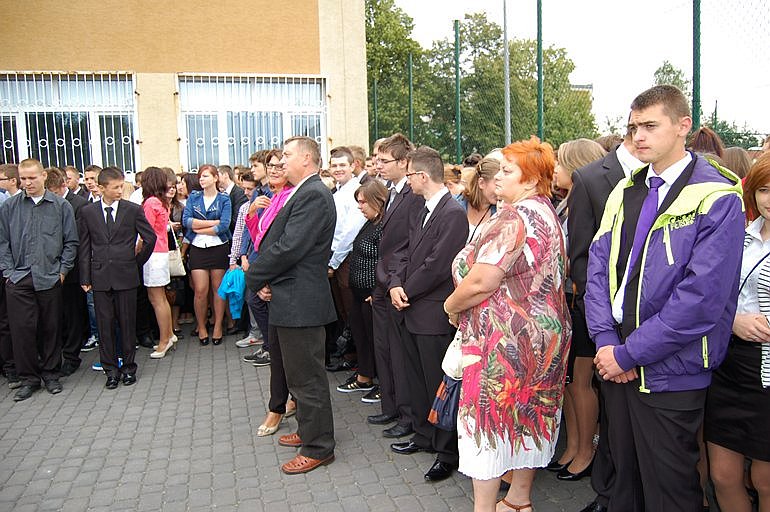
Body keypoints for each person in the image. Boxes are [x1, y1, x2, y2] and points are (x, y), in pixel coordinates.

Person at [585, 85, 745, 512]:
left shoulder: (717, 197)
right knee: (623, 483)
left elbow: (700, 300)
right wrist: (606, 341)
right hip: (616, 360)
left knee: (670, 490)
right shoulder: (626, 190)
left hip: (671, 370)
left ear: (682, 126)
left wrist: (628, 354)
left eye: (650, 126)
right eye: (633, 127)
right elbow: (598, 268)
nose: (638, 136)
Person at [444, 137, 571, 511]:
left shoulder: (514, 218)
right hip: (544, 339)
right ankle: (518, 501)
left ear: (530, 179)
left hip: (503, 342)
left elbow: (482, 281)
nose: (497, 176)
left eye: (507, 170)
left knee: (487, 423)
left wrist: (450, 306)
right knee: (529, 417)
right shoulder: (547, 211)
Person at [245, 136, 337, 474]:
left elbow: (290, 247)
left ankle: (319, 447)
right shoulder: (302, 191)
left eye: (287, 155)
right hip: (290, 297)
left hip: (302, 301)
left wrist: (254, 276)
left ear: (307, 159)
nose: (281, 161)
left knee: (307, 379)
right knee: (298, 376)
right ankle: (308, 431)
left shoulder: (313, 193)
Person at [569, 129, 644, 512]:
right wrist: (606, 335)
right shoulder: (590, 179)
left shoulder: (682, 178)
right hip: (610, 330)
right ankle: (610, 495)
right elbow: (581, 259)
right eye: (641, 126)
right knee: (615, 421)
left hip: (662, 329)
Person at [388, 146, 468, 482]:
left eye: (410, 175)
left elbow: (438, 265)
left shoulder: (452, 213)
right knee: (418, 379)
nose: (407, 181)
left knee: (439, 383)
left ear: (422, 175)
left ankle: (447, 452)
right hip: (411, 307)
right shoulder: (421, 208)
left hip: (433, 311)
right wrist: (395, 283)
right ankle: (423, 436)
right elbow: (405, 252)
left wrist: (406, 290)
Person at [704, 152, 770, 512]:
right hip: (728, 364)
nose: (769, 199)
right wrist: (732, 321)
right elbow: (713, 294)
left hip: (766, 373)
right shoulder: (741, 235)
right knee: (723, 475)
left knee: (764, 480)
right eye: (764, 189)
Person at [547, 139, 606, 483]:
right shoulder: (565, 203)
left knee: (581, 383)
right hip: (565, 301)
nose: (555, 169)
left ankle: (586, 452)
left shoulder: (587, 204)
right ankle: (572, 448)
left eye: (561, 163)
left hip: (581, 302)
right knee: (568, 383)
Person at [0, 159, 79, 401]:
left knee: (51, 328)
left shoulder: (61, 206)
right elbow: (3, 242)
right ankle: (29, 379)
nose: (27, 183)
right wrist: (9, 273)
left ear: (43, 176)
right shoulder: (10, 206)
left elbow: (71, 242)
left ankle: (51, 374)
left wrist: (62, 271)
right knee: (22, 331)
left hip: (49, 277)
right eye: (23, 178)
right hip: (19, 278)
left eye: (32, 177)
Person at [79, 166, 156, 389]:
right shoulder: (88, 212)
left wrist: (136, 263)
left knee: (127, 322)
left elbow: (150, 238)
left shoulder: (132, 210)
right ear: (101, 188)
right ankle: (110, 370)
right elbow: (84, 246)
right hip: (100, 276)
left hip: (126, 275)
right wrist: (85, 276)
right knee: (104, 325)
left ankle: (129, 368)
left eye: (122, 186)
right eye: (115, 187)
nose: (120, 191)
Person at [368, 133, 425, 431]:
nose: (379, 166)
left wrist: (394, 281)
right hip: (383, 281)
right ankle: (390, 406)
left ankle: (407, 416)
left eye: (384, 161)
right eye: (377, 160)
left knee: (400, 355)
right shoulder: (392, 191)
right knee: (385, 349)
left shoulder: (413, 196)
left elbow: (408, 244)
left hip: (397, 282)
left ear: (404, 162)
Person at [336, 180, 389, 394]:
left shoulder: (385, 225)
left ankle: (384, 383)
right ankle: (364, 376)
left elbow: (385, 259)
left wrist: (378, 290)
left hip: (372, 293)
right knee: (361, 336)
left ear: (378, 200)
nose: (359, 207)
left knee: (376, 339)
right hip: (358, 291)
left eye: (363, 202)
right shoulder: (369, 222)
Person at [44, 167, 89, 377]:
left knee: (73, 315)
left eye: (53, 192)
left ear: (62, 186)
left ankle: (72, 356)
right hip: (50, 268)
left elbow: (78, 239)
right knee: (57, 315)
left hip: (72, 269)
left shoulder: (79, 205)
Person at [182, 164, 231, 346]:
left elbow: (224, 225)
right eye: (200, 176)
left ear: (215, 178)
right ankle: (201, 326)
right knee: (200, 290)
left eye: (205, 176)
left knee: (218, 289)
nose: (201, 179)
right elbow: (187, 222)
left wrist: (200, 226)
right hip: (197, 247)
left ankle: (217, 326)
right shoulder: (194, 198)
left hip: (218, 247)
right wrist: (212, 223)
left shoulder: (224, 199)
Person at [141, 167, 175, 359]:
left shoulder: (150, 202)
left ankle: (164, 340)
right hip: (160, 251)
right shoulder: (161, 202)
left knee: (157, 299)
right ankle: (168, 334)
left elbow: (145, 232)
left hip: (153, 253)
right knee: (160, 297)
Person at [456, 156, 499, 243]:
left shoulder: (499, 212)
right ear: (481, 183)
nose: (499, 191)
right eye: (497, 185)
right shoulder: (455, 205)